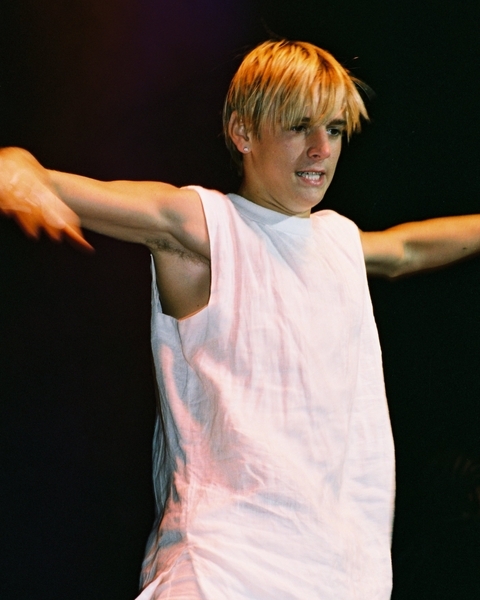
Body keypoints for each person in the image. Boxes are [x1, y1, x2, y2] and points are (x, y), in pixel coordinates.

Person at [1, 39, 480, 599]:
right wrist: (15, 168)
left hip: (335, 577)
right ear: (243, 132)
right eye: (299, 127)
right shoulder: (207, 224)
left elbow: (407, 250)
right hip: (223, 569)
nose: (321, 148)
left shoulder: (338, 240)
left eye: (334, 129)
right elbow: (47, 179)